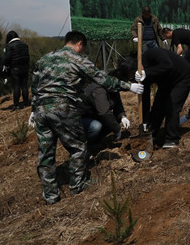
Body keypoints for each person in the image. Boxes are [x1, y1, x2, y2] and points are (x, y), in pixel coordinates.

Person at [30, 31, 143, 205]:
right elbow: (103, 80)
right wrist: (129, 86)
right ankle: (77, 186)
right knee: (78, 147)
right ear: (80, 44)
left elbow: (34, 85)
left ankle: (51, 195)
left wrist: (33, 109)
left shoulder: (44, 59)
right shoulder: (78, 59)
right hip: (63, 107)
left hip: (41, 110)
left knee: (45, 154)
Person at [136, 47, 190, 149]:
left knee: (172, 106)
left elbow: (168, 65)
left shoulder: (152, 53)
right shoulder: (140, 77)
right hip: (166, 81)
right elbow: (145, 99)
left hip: (182, 77)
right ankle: (151, 135)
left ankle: (172, 139)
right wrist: (145, 121)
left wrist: (147, 72)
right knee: (158, 105)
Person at [77, 58, 135, 152]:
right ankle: (85, 145)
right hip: (81, 118)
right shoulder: (99, 89)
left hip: (94, 114)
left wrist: (122, 116)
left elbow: (117, 103)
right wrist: (117, 129)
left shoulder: (113, 88)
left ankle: (97, 140)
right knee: (96, 126)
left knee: (116, 118)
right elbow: (104, 112)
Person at [4, 31, 30, 110]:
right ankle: (26, 102)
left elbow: (7, 58)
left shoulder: (9, 46)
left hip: (15, 68)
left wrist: (6, 65)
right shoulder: (24, 44)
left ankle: (16, 104)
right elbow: (28, 56)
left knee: (16, 86)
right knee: (24, 86)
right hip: (25, 67)